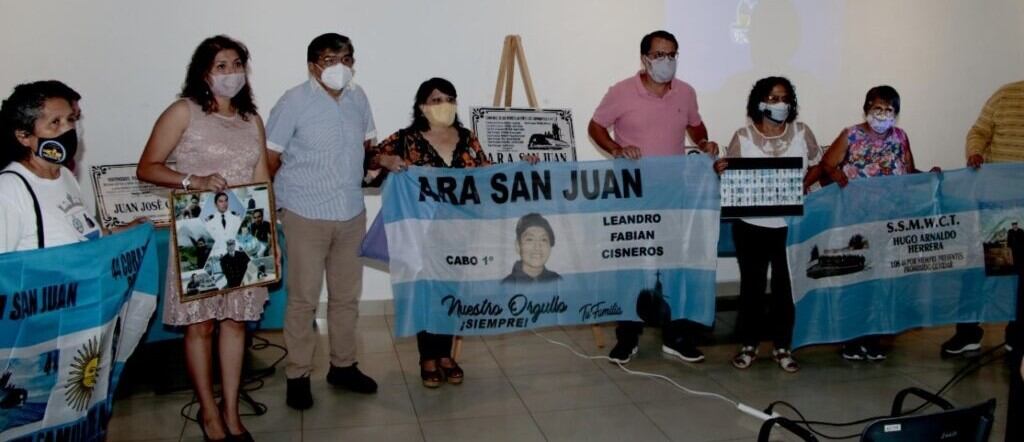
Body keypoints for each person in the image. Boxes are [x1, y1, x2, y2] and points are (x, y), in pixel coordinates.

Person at [136, 35, 269, 442]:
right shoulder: (183, 112)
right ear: (203, 73)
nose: (231, 74)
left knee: (235, 324)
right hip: (199, 231)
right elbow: (147, 167)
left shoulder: (252, 120)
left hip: (244, 232)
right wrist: (193, 180)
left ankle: (231, 410)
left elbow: (263, 177)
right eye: (220, 66)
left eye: (236, 64)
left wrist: (268, 239)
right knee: (202, 327)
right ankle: (208, 413)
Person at [588, 30, 720, 364]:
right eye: (659, 55)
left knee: (674, 264)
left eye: (672, 54)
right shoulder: (621, 92)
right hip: (633, 195)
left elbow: (696, 126)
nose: (667, 61)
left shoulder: (686, 92)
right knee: (633, 265)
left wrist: (704, 143)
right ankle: (627, 337)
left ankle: (675, 336)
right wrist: (617, 149)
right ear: (645, 58)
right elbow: (595, 127)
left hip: (673, 194)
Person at [264, 32, 378, 410]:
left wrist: (384, 165)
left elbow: (367, 148)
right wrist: (268, 208)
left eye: (346, 58)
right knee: (302, 300)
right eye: (331, 60)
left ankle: (343, 366)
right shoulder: (293, 101)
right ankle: (298, 374)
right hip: (304, 213)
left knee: (346, 297)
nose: (340, 67)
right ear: (314, 65)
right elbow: (271, 158)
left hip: (350, 211)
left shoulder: (358, 97)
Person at [368, 77, 491, 388]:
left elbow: (489, 173)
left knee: (451, 290)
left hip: (460, 229)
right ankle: (428, 357)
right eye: (436, 100)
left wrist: (525, 168)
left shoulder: (466, 137)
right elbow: (367, 158)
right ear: (422, 105)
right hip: (419, 232)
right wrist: (385, 159)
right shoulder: (407, 139)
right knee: (425, 291)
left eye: (449, 98)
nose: (443, 105)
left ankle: (446, 354)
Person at [821, 85, 936, 362]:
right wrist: (837, 176)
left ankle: (873, 339)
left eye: (889, 110)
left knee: (881, 281)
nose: (883, 115)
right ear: (866, 108)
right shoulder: (851, 134)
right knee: (855, 278)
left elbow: (908, 172)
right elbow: (827, 164)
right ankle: (851, 341)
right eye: (877, 108)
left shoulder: (900, 137)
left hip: (888, 221)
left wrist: (929, 176)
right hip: (855, 220)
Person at [717, 77, 822, 373]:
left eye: (785, 97)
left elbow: (818, 165)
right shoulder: (743, 136)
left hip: (793, 225)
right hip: (751, 225)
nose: (781, 104)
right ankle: (748, 345)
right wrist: (720, 169)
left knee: (785, 288)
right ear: (760, 102)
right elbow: (731, 174)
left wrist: (804, 184)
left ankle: (783, 346)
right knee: (751, 286)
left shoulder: (802, 133)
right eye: (773, 98)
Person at [946, 80, 1024, 356]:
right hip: (998, 206)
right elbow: (978, 131)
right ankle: (968, 334)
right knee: (981, 268)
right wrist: (975, 152)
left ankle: (1018, 336)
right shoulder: (1005, 95)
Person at [0, 80, 100, 253]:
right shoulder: (9, 189)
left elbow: (83, 236)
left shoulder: (65, 175)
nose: (68, 129)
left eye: (70, 119)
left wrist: (125, 231)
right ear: (24, 136)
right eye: (55, 122)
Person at [502, 213, 561, 284]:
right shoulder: (507, 283)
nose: (537, 247)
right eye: (530, 239)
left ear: (550, 246)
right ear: (518, 245)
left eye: (543, 240)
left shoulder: (557, 280)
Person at [205, 192, 242, 256]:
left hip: (236, 253)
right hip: (218, 255)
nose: (224, 204)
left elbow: (240, 238)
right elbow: (210, 243)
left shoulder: (236, 218)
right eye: (221, 201)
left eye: (226, 201)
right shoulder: (209, 222)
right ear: (215, 204)